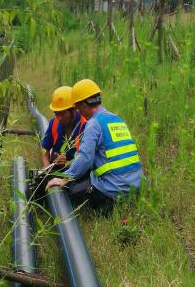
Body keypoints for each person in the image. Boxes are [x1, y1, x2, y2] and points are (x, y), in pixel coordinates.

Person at [46, 78, 142, 210]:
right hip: (135, 188)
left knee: (70, 191)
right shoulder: (116, 119)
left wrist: (63, 179)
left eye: (78, 107)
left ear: (84, 105)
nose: (78, 112)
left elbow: (85, 158)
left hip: (113, 192)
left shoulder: (93, 124)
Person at [40, 85, 87, 169]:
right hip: (56, 171)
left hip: (77, 174)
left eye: (62, 114)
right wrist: (46, 166)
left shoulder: (85, 126)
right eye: (56, 114)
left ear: (73, 110)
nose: (59, 118)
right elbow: (45, 148)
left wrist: (67, 163)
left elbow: (86, 160)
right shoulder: (54, 123)